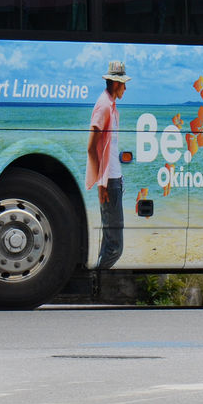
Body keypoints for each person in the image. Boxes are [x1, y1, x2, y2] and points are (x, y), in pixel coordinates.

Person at [86, 60, 129, 268]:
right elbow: (91, 147)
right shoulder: (103, 106)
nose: (125, 88)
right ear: (114, 83)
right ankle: (97, 280)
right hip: (109, 183)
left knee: (108, 242)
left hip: (114, 179)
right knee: (115, 247)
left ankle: (96, 287)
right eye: (123, 84)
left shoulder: (111, 106)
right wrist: (101, 184)